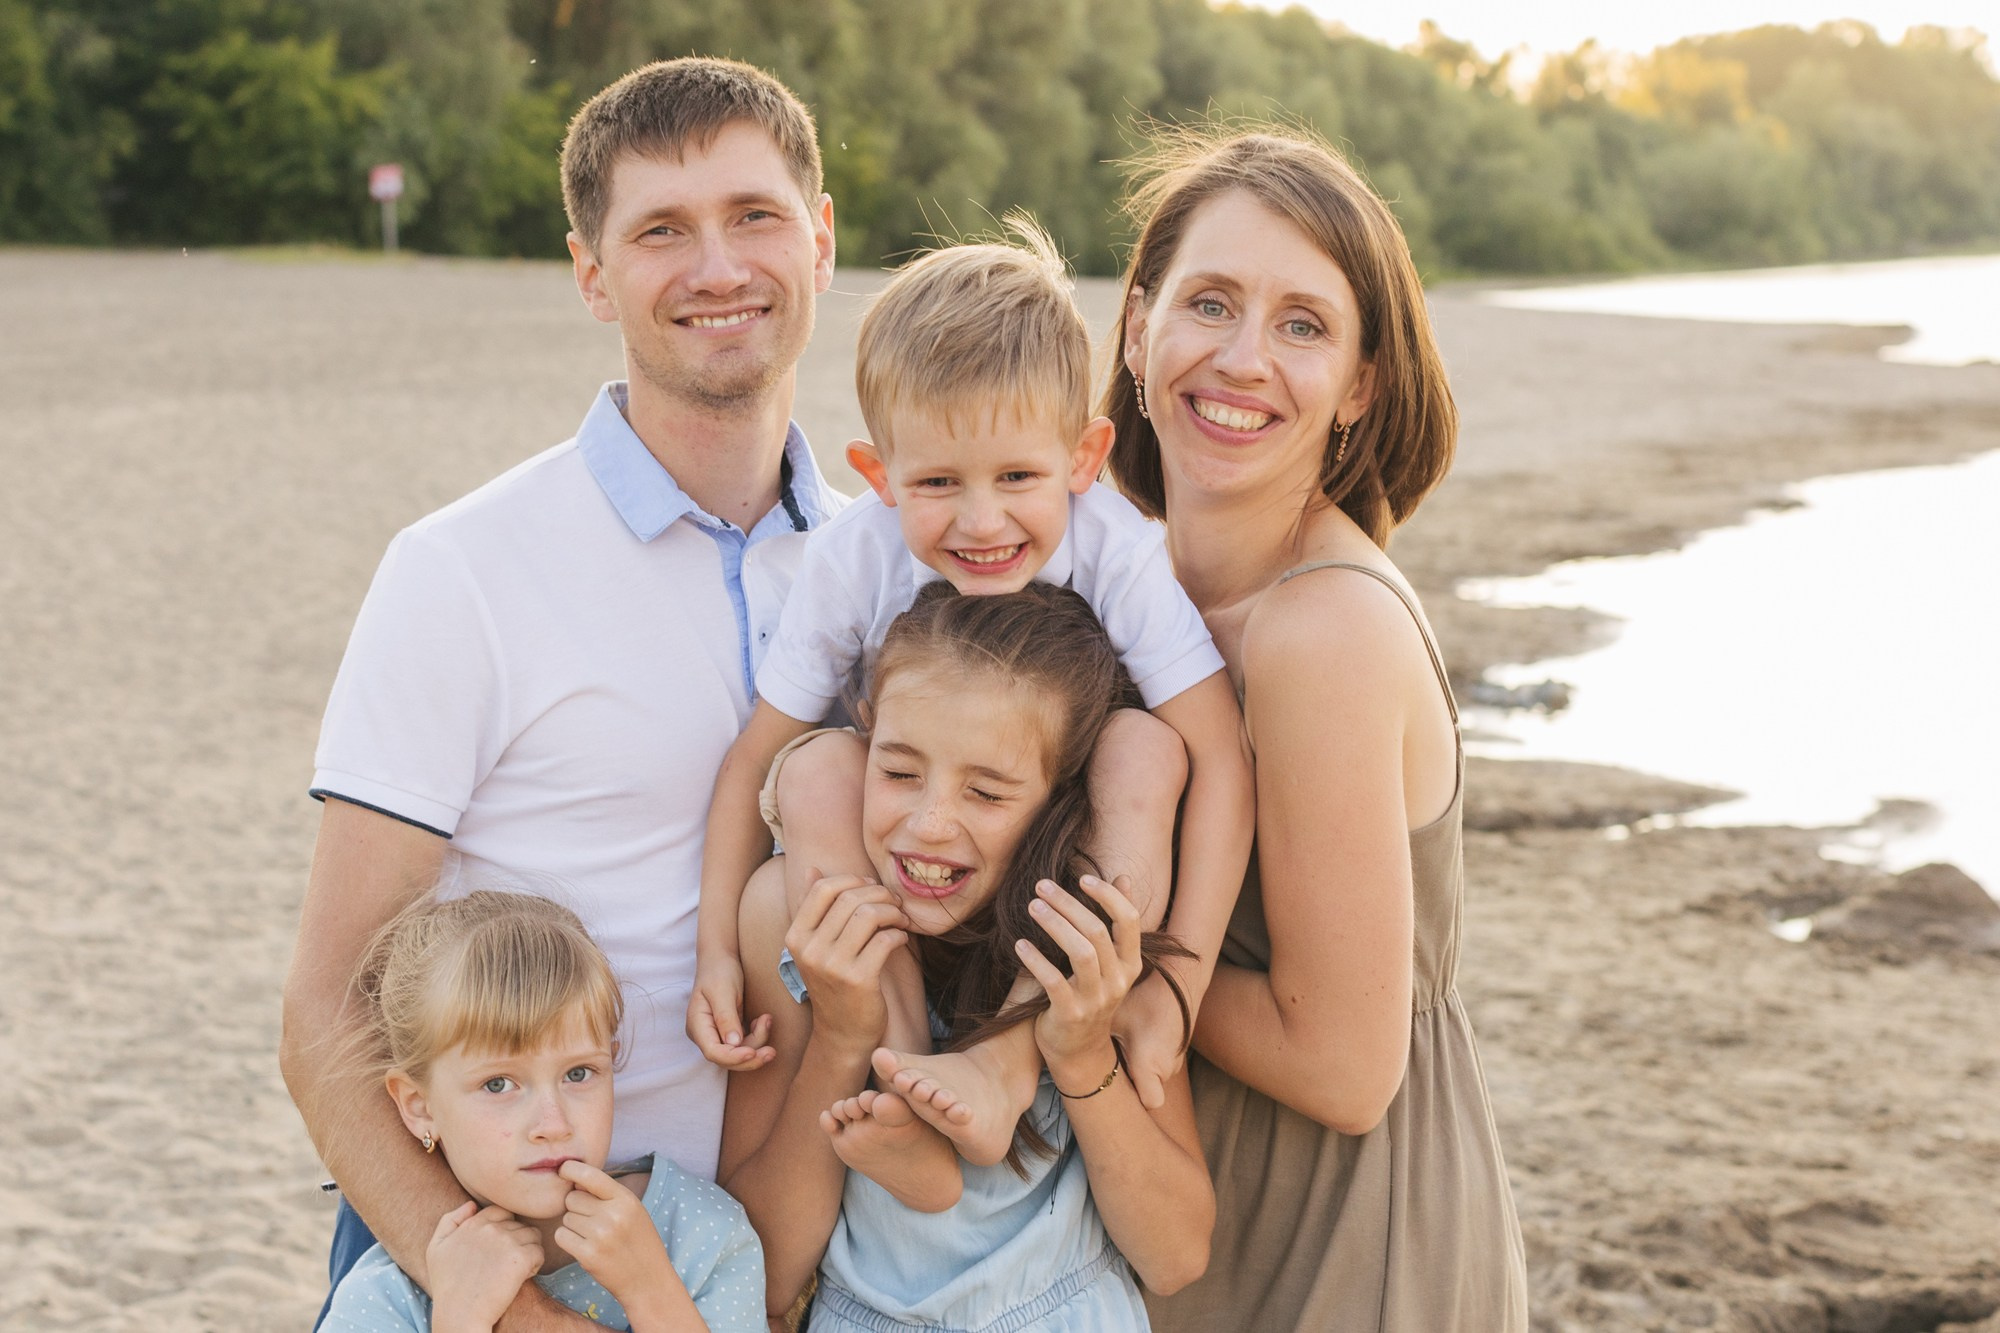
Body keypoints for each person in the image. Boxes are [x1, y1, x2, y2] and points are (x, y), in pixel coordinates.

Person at [280, 57, 843, 1329]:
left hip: (747, 1261)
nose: (717, 267)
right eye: (660, 231)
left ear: (818, 239)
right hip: (485, 1269)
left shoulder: (884, 570)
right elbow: (323, 1009)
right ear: (593, 274)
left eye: (753, 216)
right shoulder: (461, 569)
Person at [689, 221, 1254, 1165]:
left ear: (1082, 458)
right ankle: (901, 1046)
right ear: (876, 476)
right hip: (911, 859)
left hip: (1049, 853)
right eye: (939, 482)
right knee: (817, 766)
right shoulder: (853, 555)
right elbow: (754, 754)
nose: (982, 520)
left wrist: (1179, 989)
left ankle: (1005, 1060)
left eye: (1019, 477)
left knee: (1147, 746)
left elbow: (1222, 761)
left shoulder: (1115, 546)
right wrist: (712, 949)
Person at [1104, 128, 1531, 1329]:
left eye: (1302, 325)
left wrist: (1096, 948)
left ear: (1360, 383)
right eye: (1209, 303)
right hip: (1188, 1207)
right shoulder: (1120, 578)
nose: (1242, 359)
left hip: (1346, 1236)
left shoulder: (1321, 631)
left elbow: (1345, 1068)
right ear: (1138, 328)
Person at [722, 582, 1214, 1328]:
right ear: (866, 738)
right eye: (898, 773)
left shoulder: (1085, 948)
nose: (930, 823)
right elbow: (757, 1276)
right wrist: (844, 1034)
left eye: (986, 793)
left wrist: (1078, 1054)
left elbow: (1177, 1256)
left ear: (1057, 801)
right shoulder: (793, 923)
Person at [321, 891, 764, 1332]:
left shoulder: (701, 1234)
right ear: (419, 1106)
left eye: (579, 1073)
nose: (553, 1125)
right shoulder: (386, 1295)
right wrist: (459, 1321)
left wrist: (653, 1295)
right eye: (498, 1084)